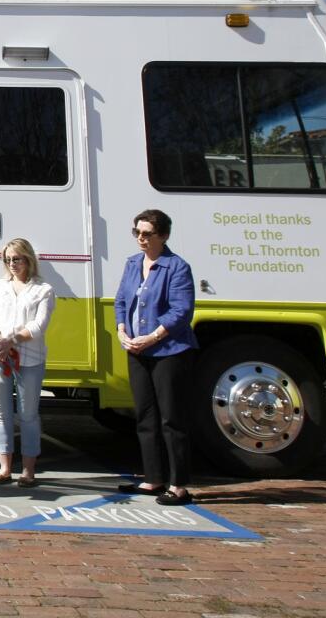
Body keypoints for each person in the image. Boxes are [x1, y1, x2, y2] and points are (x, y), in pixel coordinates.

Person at [115, 208, 199, 506]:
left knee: (171, 418)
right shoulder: (132, 264)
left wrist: (153, 337)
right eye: (137, 232)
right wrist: (122, 329)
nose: (141, 238)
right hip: (137, 350)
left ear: (163, 235)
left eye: (147, 233)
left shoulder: (176, 267)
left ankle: (178, 485)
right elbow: (122, 300)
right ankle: (152, 479)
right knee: (145, 417)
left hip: (168, 351)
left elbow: (181, 310)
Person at [0, 238, 55, 488]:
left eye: (17, 259)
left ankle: (28, 470)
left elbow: (38, 325)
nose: (12, 264)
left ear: (28, 259)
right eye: (8, 260)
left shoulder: (43, 289)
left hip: (30, 359)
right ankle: (4, 468)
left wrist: (11, 339)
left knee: (28, 414)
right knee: (0, 412)